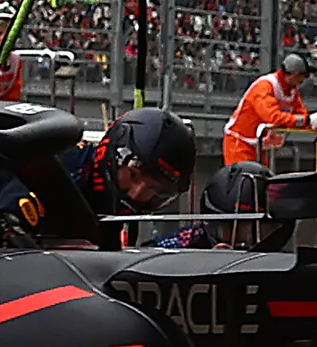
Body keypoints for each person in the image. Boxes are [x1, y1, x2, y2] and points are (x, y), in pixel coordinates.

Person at [10, 106, 202, 249]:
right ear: (114, 154)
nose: (136, 193)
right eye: (133, 176)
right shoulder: (65, 168)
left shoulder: (111, 215)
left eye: (152, 190)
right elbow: (3, 229)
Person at [221, 49, 317, 168]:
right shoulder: (264, 87)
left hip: (259, 145)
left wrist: (314, 122)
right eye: (304, 75)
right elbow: (272, 117)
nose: (304, 80)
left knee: (261, 182)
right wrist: (307, 120)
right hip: (240, 142)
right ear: (294, 74)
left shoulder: (291, 91)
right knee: (242, 181)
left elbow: (300, 114)